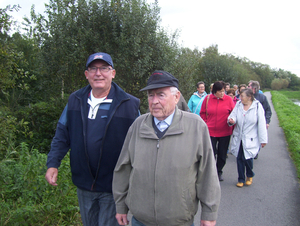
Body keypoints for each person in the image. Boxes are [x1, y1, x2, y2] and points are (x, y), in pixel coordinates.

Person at [113, 70, 221, 226]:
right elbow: (123, 169)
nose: (154, 101)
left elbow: (208, 174)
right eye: (151, 95)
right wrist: (120, 206)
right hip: (141, 221)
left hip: (179, 221)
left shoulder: (196, 126)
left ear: (176, 97)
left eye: (161, 95)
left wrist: (209, 213)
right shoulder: (138, 125)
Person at [45, 52, 140, 226]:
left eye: (104, 68)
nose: (98, 73)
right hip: (84, 184)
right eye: (93, 69)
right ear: (86, 74)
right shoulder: (75, 100)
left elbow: (140, 144)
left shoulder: (129, 104)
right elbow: (62, 134)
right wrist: (53, 163)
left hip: (114, 186)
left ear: (113, 73)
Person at [228, 88, 268, 187]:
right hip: (239, 137)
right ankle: (241, 178)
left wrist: (263, 140)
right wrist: (231, 120)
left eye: (242, 96)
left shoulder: (257, 106)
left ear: (249, 97)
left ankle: (249, 175)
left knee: (248, 158)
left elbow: (262, 124)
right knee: (239, 158)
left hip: (251, 137)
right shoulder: (238, 105)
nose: (240, 98)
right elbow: (233, 115)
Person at [200, 81, 235, 181]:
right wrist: (206, 123)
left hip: (225, 131)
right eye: (220, 91)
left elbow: (234, 113)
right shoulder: (207, 99)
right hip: (210, 131)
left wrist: (232, 121)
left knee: (222, 154)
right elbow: (202, 113)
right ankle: (211, 172)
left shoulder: (228, 100)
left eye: (224, 91)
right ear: (214, 91)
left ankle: (219, 171)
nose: (222, 93)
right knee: (211, 153)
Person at [248, 80, 272, 159]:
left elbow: (268, 110)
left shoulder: (262, 97)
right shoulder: (246, 96)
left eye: (249, 86)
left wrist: (267, 122)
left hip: (259, 122)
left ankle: (255, 152)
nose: (247, 87)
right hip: (249, 122)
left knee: (257, 138)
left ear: (253, 88)